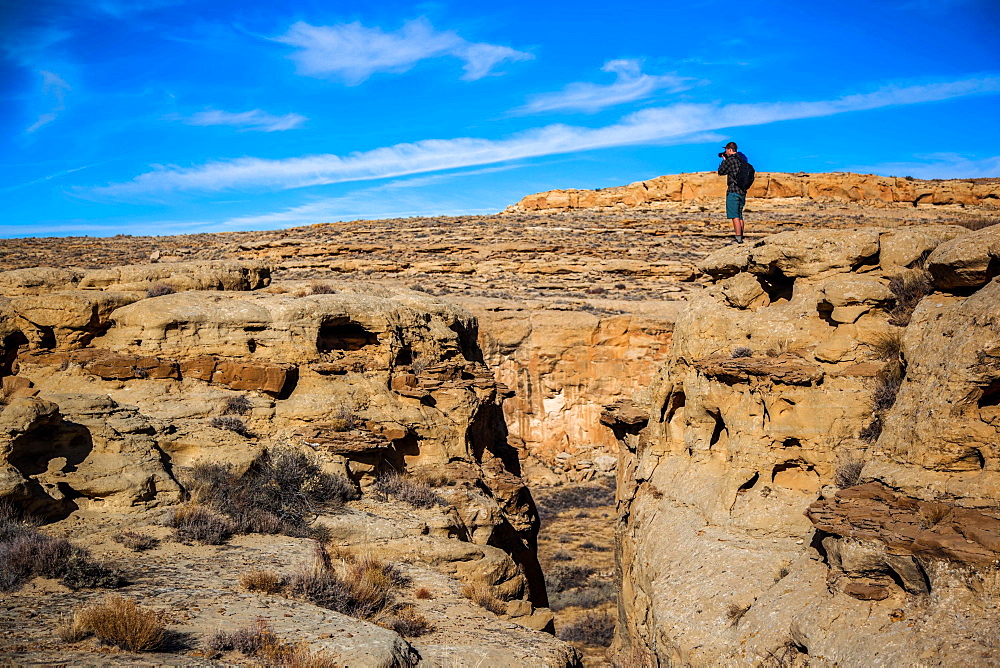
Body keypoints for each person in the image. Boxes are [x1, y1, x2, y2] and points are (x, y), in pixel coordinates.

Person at [717, 141, 749, 244]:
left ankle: (738, 239)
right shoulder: (742, 159)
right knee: (739, 215)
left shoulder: (731, 160)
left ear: (730, 150)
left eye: (726, 150)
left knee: (734, 215)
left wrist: (724, 160)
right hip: (742, 192)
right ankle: (740, 237)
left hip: (733, 191)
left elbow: (721, 171)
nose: (725, 152)